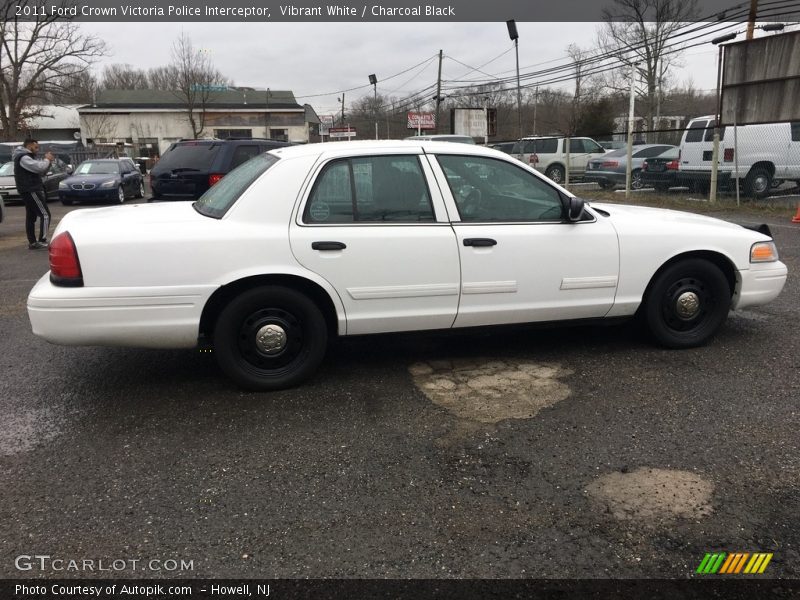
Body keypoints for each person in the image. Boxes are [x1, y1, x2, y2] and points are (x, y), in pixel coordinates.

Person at [13, 138, 54, 250]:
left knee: (31, 217)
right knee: (45, 215)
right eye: (36, 147)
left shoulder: (26, 157)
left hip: (28, 189)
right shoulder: (24, 157)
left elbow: (42, 171)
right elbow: (39, 167)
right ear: (29, 146)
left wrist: (48, 162)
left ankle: (33, 242)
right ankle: (42, 240)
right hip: (31, 189)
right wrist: (46, 159)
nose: (37, 149)